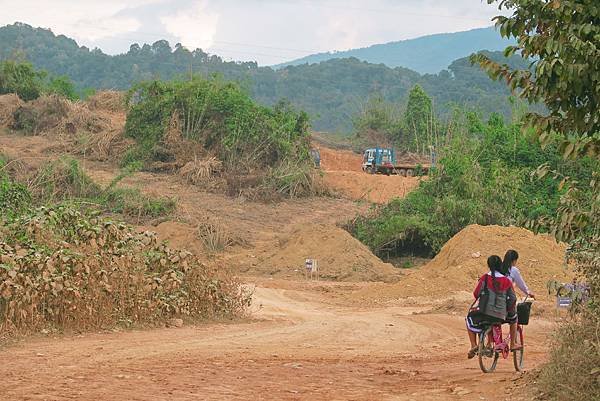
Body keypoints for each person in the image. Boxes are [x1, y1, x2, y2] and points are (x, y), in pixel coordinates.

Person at [465, 255, 517, 359]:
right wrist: (507, 310)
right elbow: (512, 299)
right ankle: (512, 344)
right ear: (500, 265)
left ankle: (474, 345)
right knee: (514, 318)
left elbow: (476, 294)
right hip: (501, 316)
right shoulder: (507, 281)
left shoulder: (485, 278)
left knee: (469, 318)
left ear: (488, 265)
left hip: (485, 313)